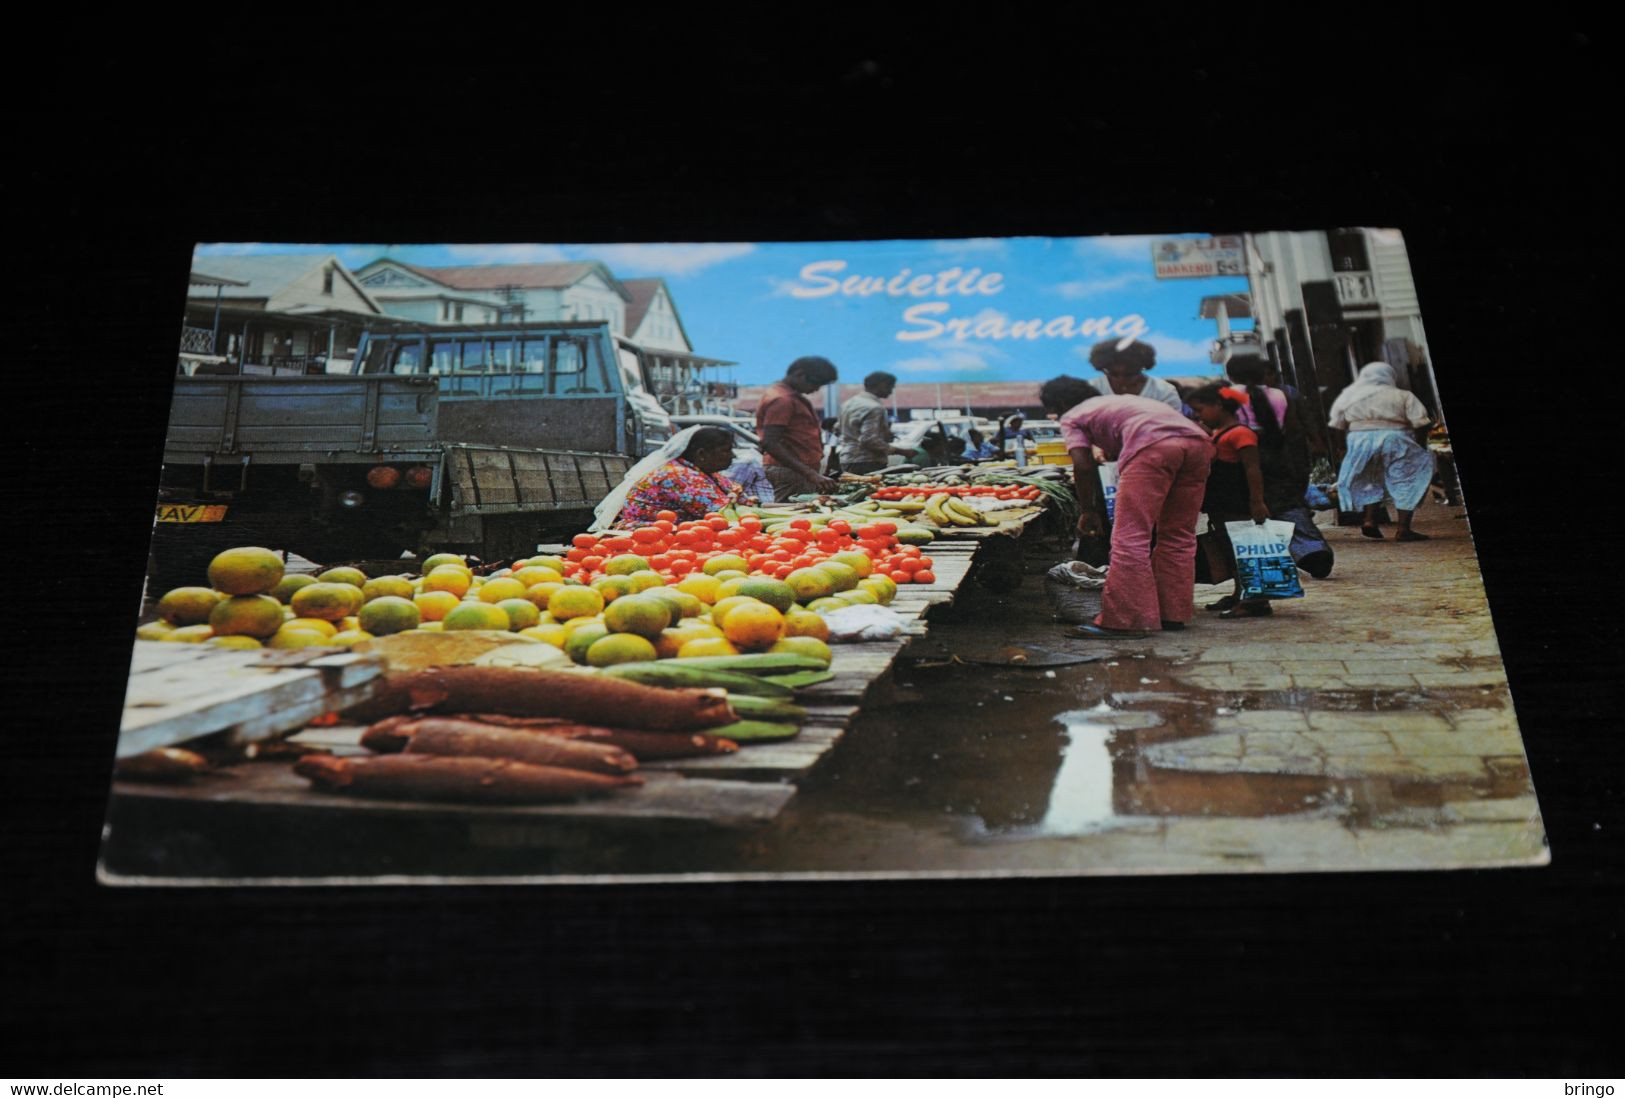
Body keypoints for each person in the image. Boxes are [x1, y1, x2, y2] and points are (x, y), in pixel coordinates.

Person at [1041, 374, 1213, 636]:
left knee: (1129, 538)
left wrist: (1088, 509)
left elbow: (1083, 464)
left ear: (1061, 403)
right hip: (1197, 445)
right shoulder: (1118, 402)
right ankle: (1173, 614)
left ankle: (1126, 621)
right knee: (1178, 535)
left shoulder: (1073, 416)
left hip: (1153, 448)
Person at [1225, 354, 1333, 578]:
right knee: (1287, 504)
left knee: (1246, 510)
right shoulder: (1282, 394)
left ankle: (1264, 566)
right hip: (1277, 454)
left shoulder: (1226, 395)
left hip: (1241, 456)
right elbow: (1292, 428)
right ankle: (1312, 548)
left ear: (1230, 375)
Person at [1186, 384, 1273, 618]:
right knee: (1229, 549)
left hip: (1238, 502)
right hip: (1222, 504)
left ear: (1219, 406)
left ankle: (1255, 598)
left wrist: (1257, 501)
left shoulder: (1240, 433)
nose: (1198, 415)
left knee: (1243, 549)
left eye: (1200, 409)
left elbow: (1252, 470)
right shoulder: (1217, 434)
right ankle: (1240, 593)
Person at [1326, 362, 1436, 541]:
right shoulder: (1403, 395)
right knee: (1405, 478)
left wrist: (1342, 447)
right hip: (1396, 438)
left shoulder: (1349, 396)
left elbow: (1337, 425)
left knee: (1368, 478)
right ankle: (1403, 529)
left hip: (1359, 439)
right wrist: (1420, 445)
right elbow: (1421, 423)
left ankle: (1369, 520)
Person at [590, 426, 744, 531]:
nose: (733, 456)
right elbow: (721, 514)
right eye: (726, 451)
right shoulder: (678, 476)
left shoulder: (707, 473)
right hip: (648, 536)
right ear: (702, 454)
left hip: (680, 534)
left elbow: (739, 499)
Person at [754, 356, 840, 498]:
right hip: (791, 471)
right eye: (816, 383)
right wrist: (810, 474)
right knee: (791, 514)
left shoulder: (789, 396)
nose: (816, 389)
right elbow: (770, 442)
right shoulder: (782, 400)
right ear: (800, 375)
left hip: (797, 470)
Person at [837, 371, 913, 474]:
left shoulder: (848, 404)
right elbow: (869, 440)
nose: (891, 392)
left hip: (847, 459)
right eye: (890, 387)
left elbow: (837, 429)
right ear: (882, 385)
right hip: (867, 462)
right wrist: (901, 451)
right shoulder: (874, 407)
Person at [1088, 339, 1184, 411]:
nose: (1121, 379)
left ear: (1142, 367)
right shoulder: (1091, 388)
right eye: (1113, 374)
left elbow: (1172, 426)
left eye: (1129, 374)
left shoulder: (1164, 392)